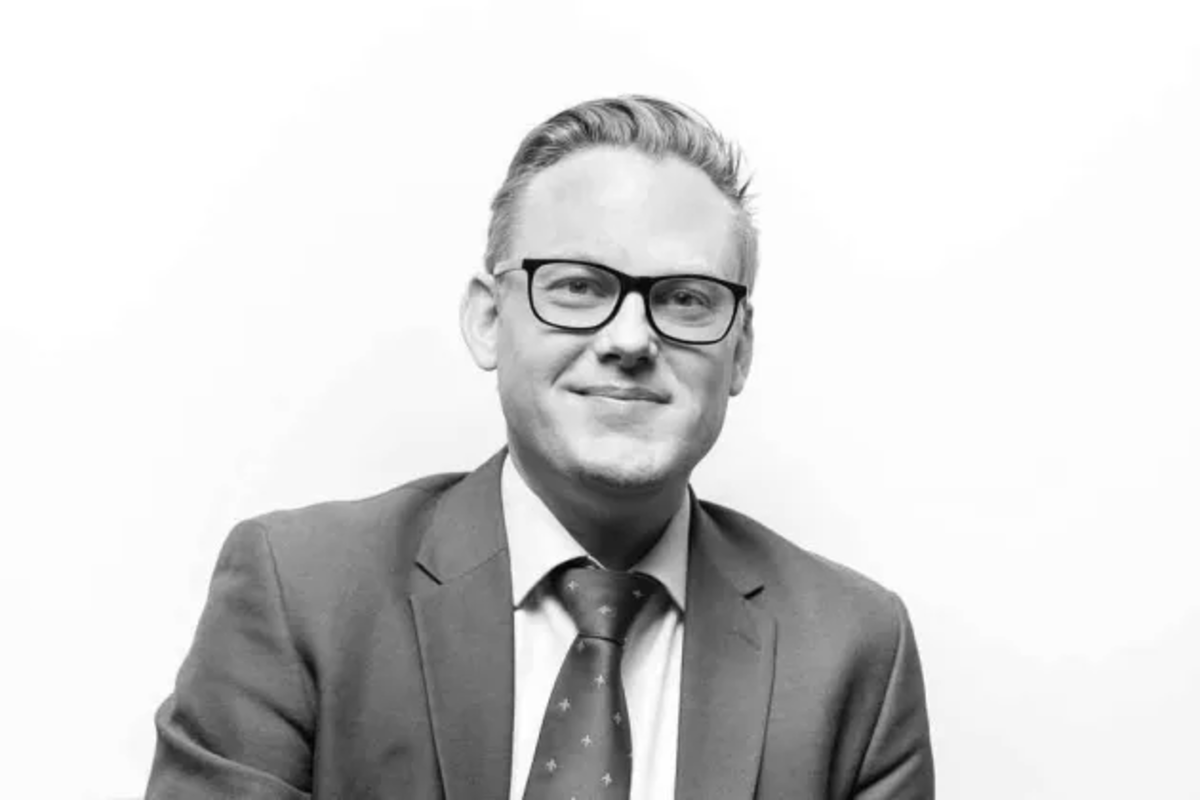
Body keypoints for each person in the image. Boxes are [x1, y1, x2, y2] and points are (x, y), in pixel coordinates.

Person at [146, 95, 934, 800]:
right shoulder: (301, 594)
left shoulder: (853, 650)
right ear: (489, 321)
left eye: (686, 300)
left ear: (742, 350)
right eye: (579, 287)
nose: (631, 339)